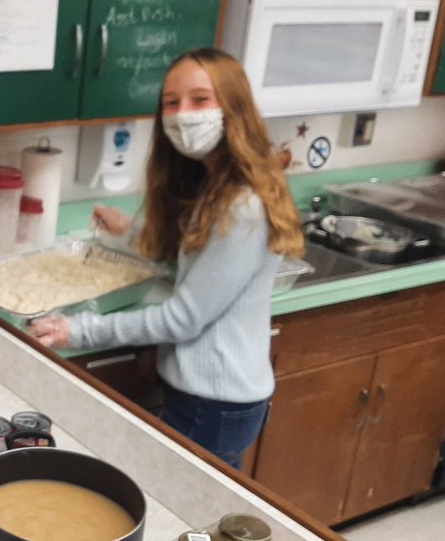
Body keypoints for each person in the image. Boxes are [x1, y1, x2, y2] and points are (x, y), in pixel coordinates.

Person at [30, 48, 304, 470]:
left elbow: (183, 319)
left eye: (199, 100)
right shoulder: (221, 185)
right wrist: (132, 231)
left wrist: (78, 330)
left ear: (233, 106)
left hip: (213, 405)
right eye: (171, 103)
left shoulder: (242, 206)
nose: (181, 115)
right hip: (212, 398)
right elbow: (202, 259)